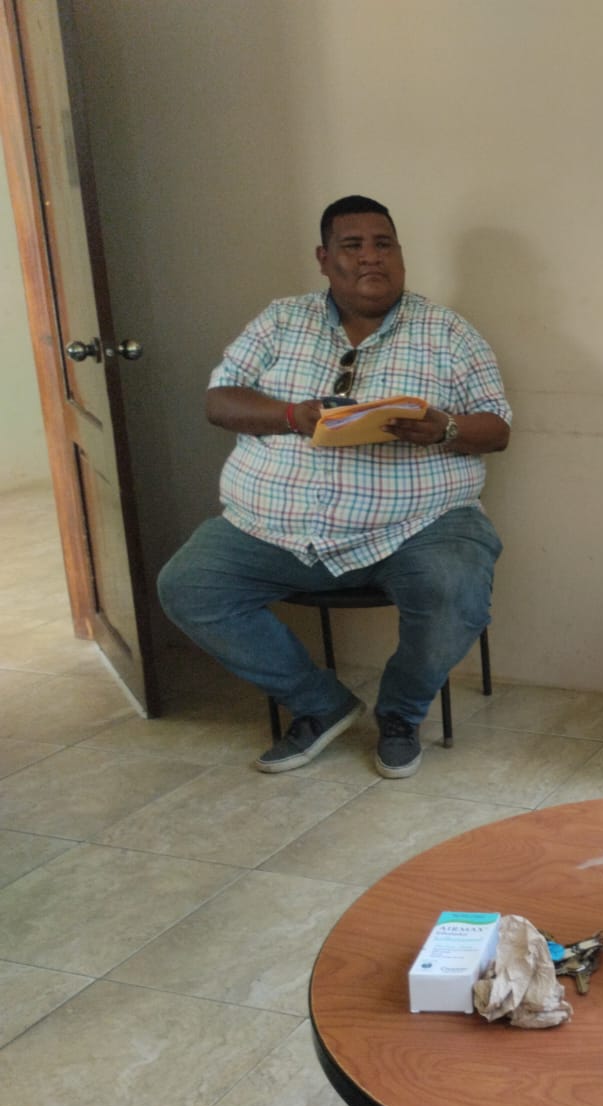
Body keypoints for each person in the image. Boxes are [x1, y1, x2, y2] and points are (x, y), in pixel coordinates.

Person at [158, 195, 511, 779]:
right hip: (271, 528)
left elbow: (497, 429)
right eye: (353, 246)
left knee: (455, 588)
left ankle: (400, 715)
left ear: (400, 253)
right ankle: (320, 704)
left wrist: (444, 427)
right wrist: (293, 416)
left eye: (384, 244)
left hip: (416, 526)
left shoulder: (448, 332)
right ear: (324, 259)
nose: (372, 257)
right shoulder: (280, 320)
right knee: (188, 586)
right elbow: (220, 401)